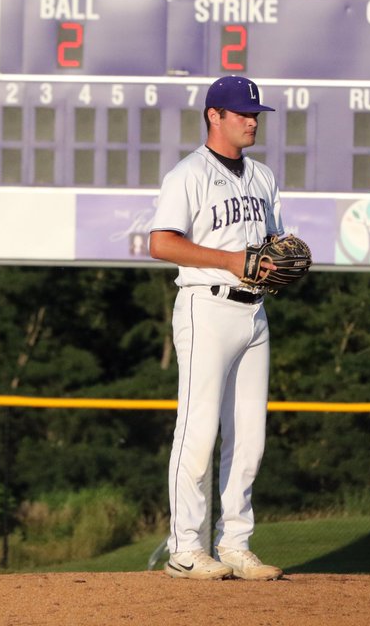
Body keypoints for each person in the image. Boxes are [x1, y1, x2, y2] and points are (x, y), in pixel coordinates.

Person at [149, 75, 284, 582]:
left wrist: (279, 261)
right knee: (199, 431)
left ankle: (234, 543)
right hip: (206, 306)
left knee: (250, 437)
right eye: (243, 114)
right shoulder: (189, 174)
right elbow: (161, 243)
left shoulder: (263, 177)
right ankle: (185, 547)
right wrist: (229, 260)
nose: (252, 122)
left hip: (255, 313)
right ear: (214, 115)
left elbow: (271, 245)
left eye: (255, 114)